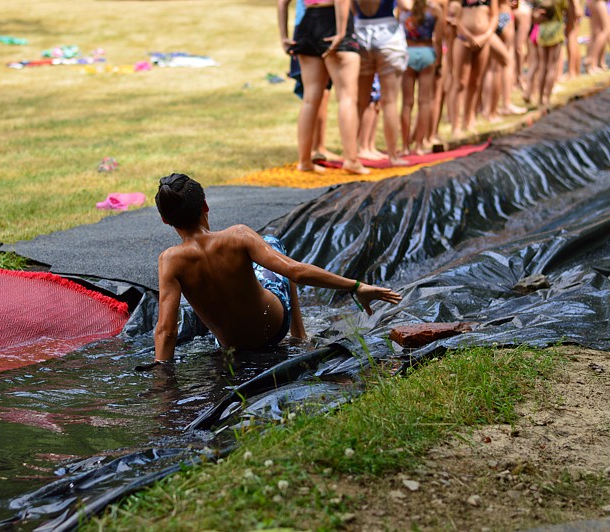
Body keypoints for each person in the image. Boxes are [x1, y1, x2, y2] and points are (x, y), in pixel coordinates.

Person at [150, 173, 402, 363]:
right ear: (205, 206)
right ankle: (299, 334)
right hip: (274, 328)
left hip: (230, 346)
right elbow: (296, 271)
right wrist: (356, 286)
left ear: (164, 220)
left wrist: (164, 385)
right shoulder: (238, 235)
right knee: (270, 242)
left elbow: (166, 330)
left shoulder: (170, 260)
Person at [278, 0, 370, 174]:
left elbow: (282, 3)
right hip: (334, 22)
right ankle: (351, 160)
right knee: (347, 97)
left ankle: (304, 161)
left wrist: (283, 36)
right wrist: (341, 33)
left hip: (308, 23)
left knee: (310, 100)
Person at [353, 0, 414, 165]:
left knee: (360, 101)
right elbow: (407, 6)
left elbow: (352, 9)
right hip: (388, 35)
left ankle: (351, 155)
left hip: (360, 31)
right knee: (390, 102)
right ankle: (393, 156)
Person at [399, 0, 444, 154]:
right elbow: (438, 39)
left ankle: (405, 147)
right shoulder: (435, 11)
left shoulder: (404, 10)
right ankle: (418, 145)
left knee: (406, 103)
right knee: (424, 102)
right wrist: (439, 62)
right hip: (427, 52)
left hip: (408, 53)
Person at [448, 0, 499, 137]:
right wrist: (469, 36)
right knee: (459, 83)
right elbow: (453, 17)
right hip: (462, 40)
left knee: (475, 82)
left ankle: (469, 120)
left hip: (483, 41)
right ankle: (455, 126)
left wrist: (485, 36)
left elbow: (494, 16)